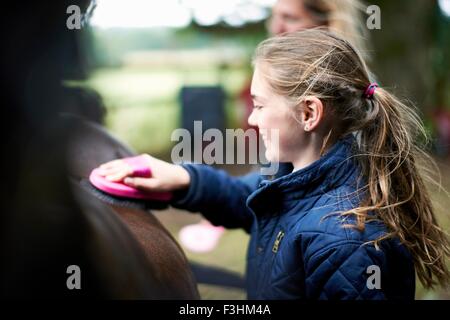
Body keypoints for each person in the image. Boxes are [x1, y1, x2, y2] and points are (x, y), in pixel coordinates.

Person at [97, 29, 450, 299]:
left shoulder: (344, 245)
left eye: (260, 105)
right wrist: (183, 179)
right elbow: (250, 199)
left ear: (309, 113)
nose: (252, 119)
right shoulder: (296, 176)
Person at [182, 0, 369, 253]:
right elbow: (266, 188)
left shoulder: (340, 237)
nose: (276, 27)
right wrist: (188, 181)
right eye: (274, 16)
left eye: (290, 18)